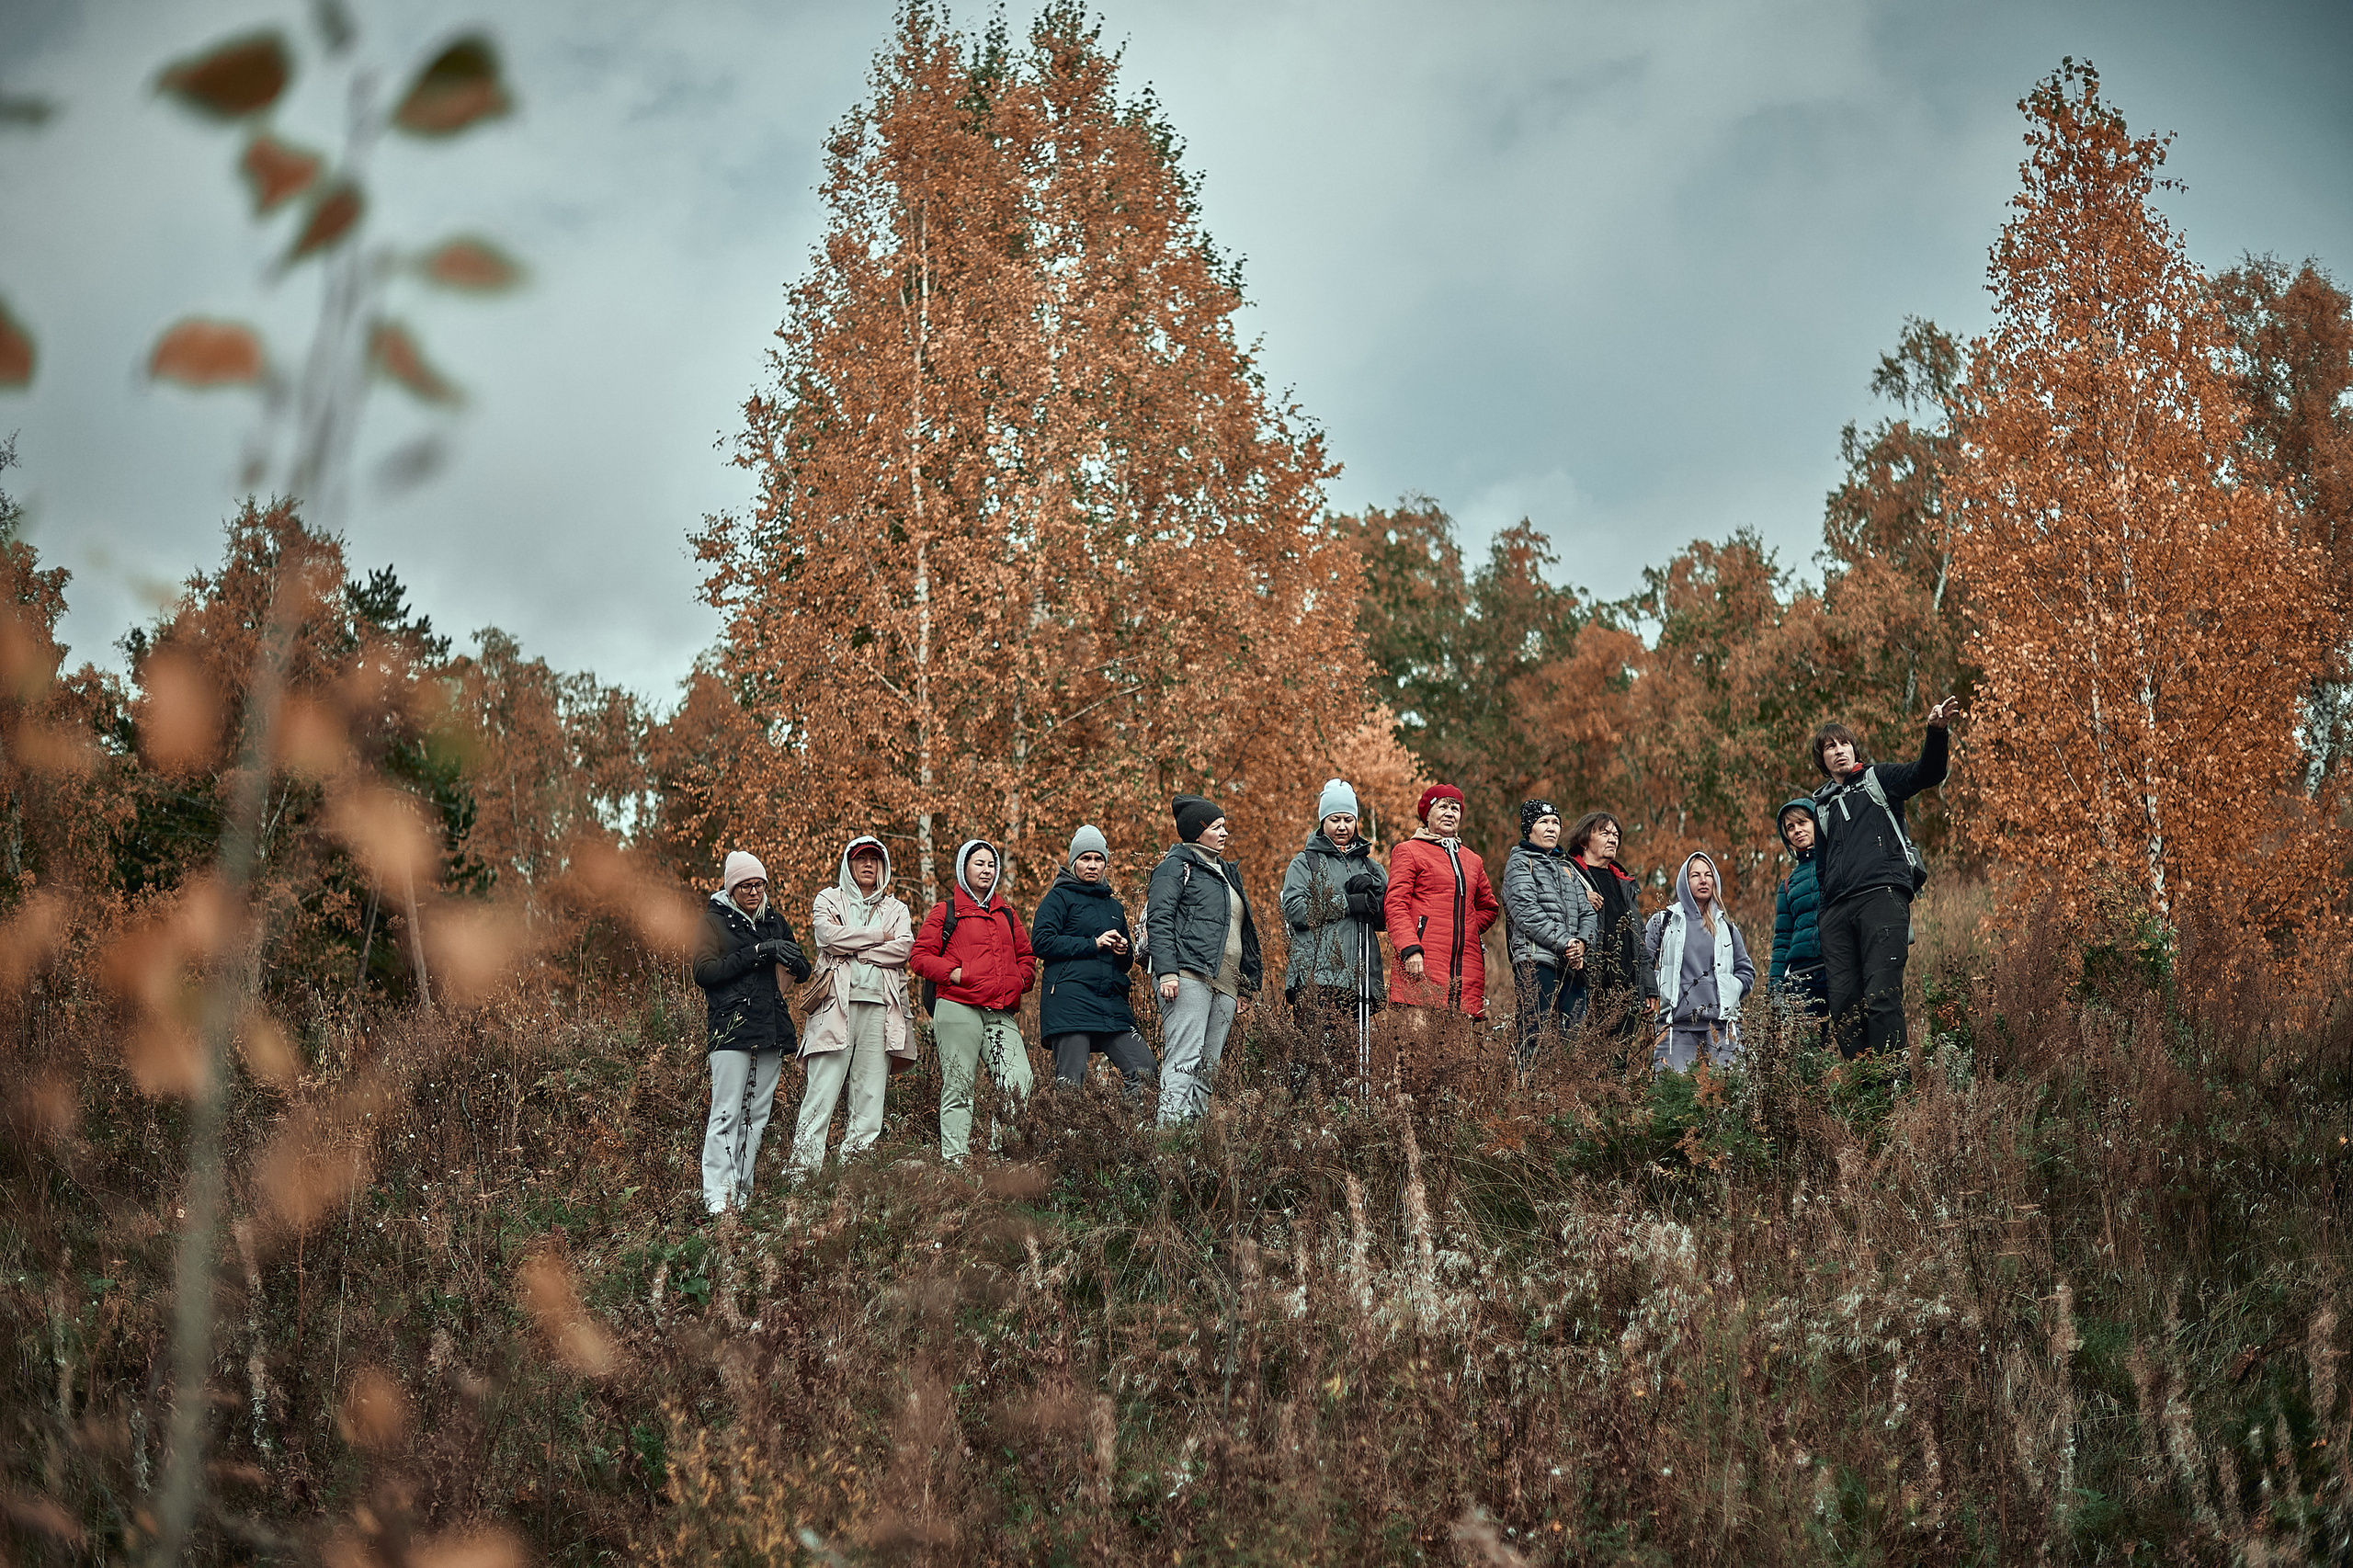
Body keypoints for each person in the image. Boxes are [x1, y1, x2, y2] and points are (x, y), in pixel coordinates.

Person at [1811, 699, 1960, 1060]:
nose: (1839, 750)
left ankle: (1894, 1084)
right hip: (1837, 914)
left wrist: (1936, 733)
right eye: (1830, 747)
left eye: (1844, 743)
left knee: (1881, 998)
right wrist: (1826, 914)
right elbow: (1822, 869)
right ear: (1822, 760)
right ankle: (1865, 1087)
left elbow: (1927, 773)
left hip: (1882, 897)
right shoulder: (1821, 806)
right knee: (1844, 1008)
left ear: (1854, 749)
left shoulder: (1878, 779)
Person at [690, 850, 812, 1215]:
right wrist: (758, 952)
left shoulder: (774, 920)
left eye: (759, 885)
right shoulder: (713, 922)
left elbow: (803, 967)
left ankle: (741, 1194)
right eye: (746, 886)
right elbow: (704, 972)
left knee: (757, 1114)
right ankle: (717, 1196)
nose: (755, 892)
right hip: (730, 1029)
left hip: (771, 1027)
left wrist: (795, 962)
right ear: (731, 888)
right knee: (726, 1112)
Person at [793, 835, 916, 1180]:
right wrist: (877, 937)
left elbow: (903, 948)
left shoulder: (897, 909)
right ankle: (801, 1175)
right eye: (861, 858)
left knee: (870, 1097)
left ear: (883, 866)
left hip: (881, 1010)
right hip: (835, 1008)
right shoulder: (828, 898)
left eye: (874, 859)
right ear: (849, 864)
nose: (868, 864)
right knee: (821, 1093)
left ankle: (854, 1178)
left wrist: (855, 947)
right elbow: (828, 937)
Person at [908, 840, 1037, 1163]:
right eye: (979, 863)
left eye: (991, 865)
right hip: (957, 1005)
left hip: (999, 1011)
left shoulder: (1006, 913)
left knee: (1019, 1078)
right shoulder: (945, 911)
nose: (986, 870)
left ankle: (1001, 1156)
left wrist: (1019, 980)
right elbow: (919, 957)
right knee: (960, 1085)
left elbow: (1026, 956)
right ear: (963, 868)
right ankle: (956, 1161)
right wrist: (955, 974)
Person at [1145, 794, 1264, 1127]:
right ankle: (1168, 1140)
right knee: (1184, 1060)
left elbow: (1243, 933)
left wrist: (1245, 986)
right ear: (1197, 831)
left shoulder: (1227, 873)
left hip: (1225, 983)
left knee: (1207, 1069)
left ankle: (1193, 1143)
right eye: (1216, 827)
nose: (1224, 833)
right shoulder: (1175, 866)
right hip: (1187, 975)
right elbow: (1159, 919)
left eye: (1224, 826)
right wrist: (1167, 972)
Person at [1030, 825, 1158, 1107]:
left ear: (1105, 863)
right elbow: (1040, 942)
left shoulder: (1114, 907)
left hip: (1111, 1004)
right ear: (1073, 862)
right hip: (1070, 1002)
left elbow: (1125, 963)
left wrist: (1123, 951)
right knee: (1070, 1087)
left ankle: (1126, 1132)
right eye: (1085, 858)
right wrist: (1093, 943)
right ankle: (1066, 1135)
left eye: (1098, 859)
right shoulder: (1058, 898)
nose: (1092, 865)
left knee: (1145, 1071)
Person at [1279, 778, 1388, 1096]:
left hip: (1359, 980)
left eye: (1348, 819)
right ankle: (1301, 1116)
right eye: (1335, 819)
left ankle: (1343, 1119)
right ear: (1322, 821)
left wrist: (1374, 893)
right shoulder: (1305, 862)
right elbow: (1296, 912)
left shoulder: (1371, 866)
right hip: (1317, 978)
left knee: (1349, 1064)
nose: (1342, 826)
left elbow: (1386, 918)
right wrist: (1347, 903)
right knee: (1310, 1060)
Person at [1383, 783, 1502, 1018]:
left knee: (1457, 1042)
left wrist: (1465, 929)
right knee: (1415, 1040)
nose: (1450, 813)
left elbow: (1488, 908)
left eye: (1455, 808)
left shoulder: (1473, 860)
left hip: (1465, 970)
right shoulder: (1408, 851)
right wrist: (1410, 947)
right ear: (1427, 815)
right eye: (1443, 807)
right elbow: (1395, 905)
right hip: (1420, 963)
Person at [1501, 799, 1597, 1072]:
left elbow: (1587, 912)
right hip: (1536, 961)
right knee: (1535, 1037)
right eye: (1543, 822)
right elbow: (1526, 912)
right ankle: (1529, 1092)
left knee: (1573, 1039)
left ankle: (1563, 1094)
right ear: (1529, 829)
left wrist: (1581, 943)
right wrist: (1567, 942)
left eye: (1555, 822)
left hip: (1572, 963)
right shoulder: (1520, 863)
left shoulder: (1567, 867)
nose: (1551, 827)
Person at [1643, 851, 1756, 1073]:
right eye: (1695, 875)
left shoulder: (1727, 928)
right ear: (1684, 882)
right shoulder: (1664, 921)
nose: (1703, 880)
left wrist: (1731, 989)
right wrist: (1661, 989)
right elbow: (1643, 967)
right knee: (1673, 1091)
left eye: (1708, 875)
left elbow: (1746, 971)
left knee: (1726, 1091)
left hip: (1722, 1029)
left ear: (1715, 881)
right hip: (1675, 1028)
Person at [1565, 811, 1660, 1043]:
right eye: (1605, 833)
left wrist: (1648, 988)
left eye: (1616, 835)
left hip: (1625, 990)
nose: (1612, 839)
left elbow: (1638, 940)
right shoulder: (1567, 874)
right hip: (1587, 985)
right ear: (1584, 840)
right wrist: (1579, 896)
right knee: (1582, 1056)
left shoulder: (1624, 882)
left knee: (1618, 1059)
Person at [1768, 800, 1828, 1029]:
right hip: (1802, 977)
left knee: (1852, 1036)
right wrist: (1775, 983)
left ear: (1816, 823)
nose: (1797, 831)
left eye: (1802, 822)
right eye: (1790, 827)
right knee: (1808, 1045)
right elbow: (1782, 937)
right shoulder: (1787, 884)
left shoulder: (1837, 865)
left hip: (1837, 966)